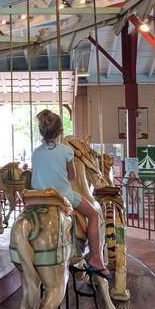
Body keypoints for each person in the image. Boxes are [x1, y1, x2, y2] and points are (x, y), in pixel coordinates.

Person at [31, 109, 109, 279]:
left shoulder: (36, 152)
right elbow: (72, 176)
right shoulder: (66, 151)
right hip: (62, 197)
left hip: (39, 199)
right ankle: (96, 258)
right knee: (94, 214)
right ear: (60, 132)